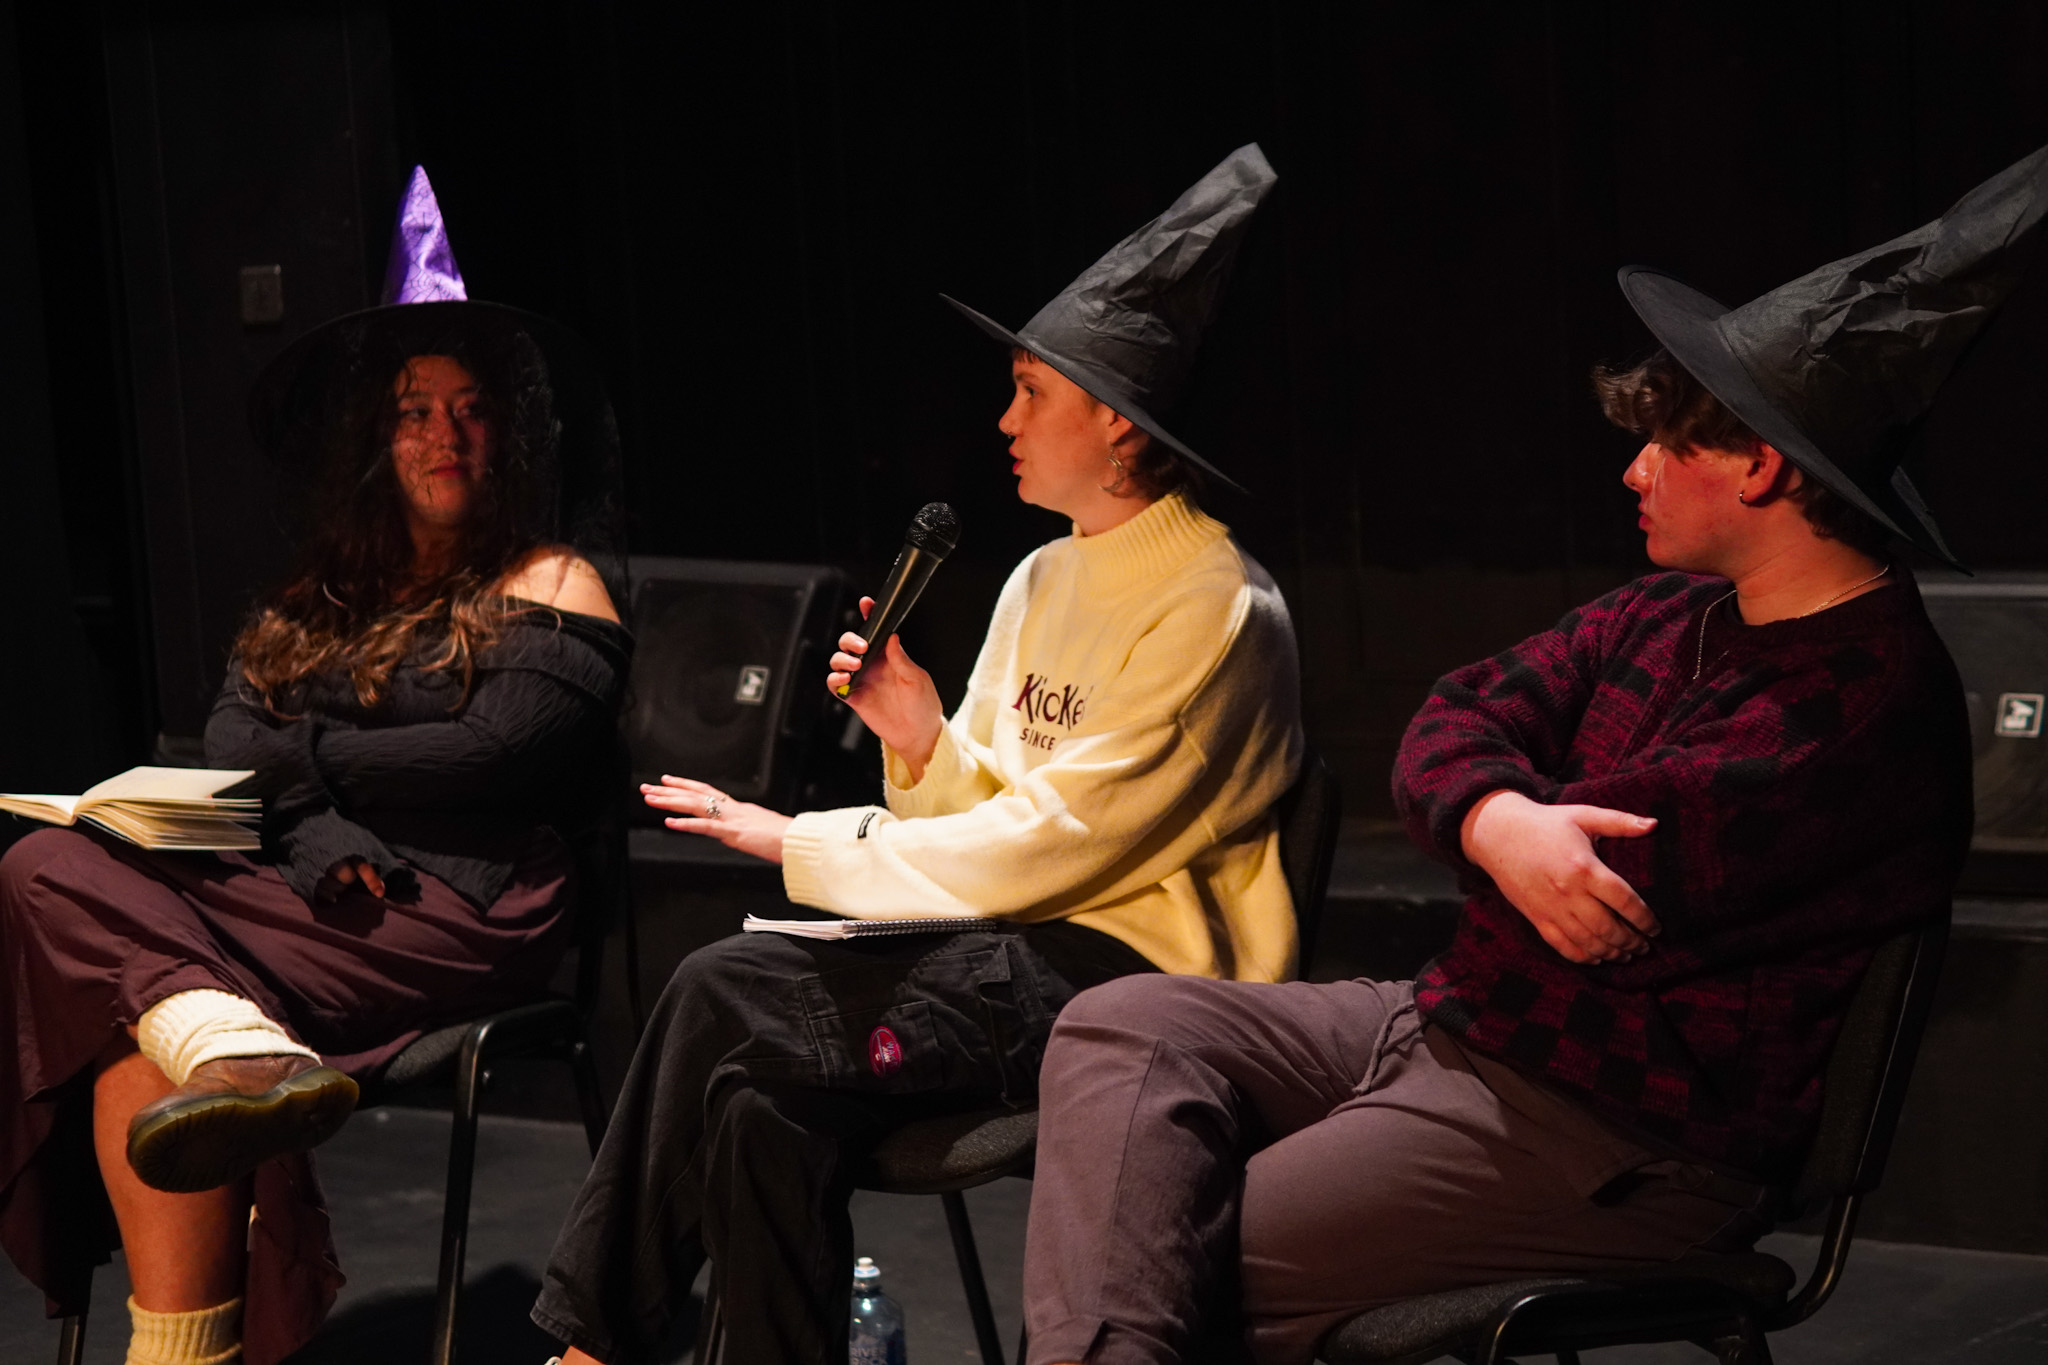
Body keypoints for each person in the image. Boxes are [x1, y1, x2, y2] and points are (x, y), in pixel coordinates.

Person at [1016, 145, 2048, 1365]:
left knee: (1162, 1254)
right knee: (1124, 1023)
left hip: (1617, 1134)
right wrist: (1498, 821)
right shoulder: (1666, 610)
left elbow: (1594, 883)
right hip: (1452, 1028)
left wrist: (1495, 813)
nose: (1631, 469)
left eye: (1663, 444)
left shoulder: (1862, 703)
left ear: (1758, 467)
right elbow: (1453, 713)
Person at [532, 144, 1301, 1365]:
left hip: (1126, 983)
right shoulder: (1042, 576)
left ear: (1112, 417)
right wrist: (923, 741)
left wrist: (804, 840)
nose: (1004, 422)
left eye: (1029, 394)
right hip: (1001, 944)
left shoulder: (1217, 607)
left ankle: (585, 1351)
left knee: (721, 988)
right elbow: (989, 817)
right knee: (757, 1108)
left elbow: (1054, 843)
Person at [0, 167, 630, 1365]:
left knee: (110, 977)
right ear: (377, 440)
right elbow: (231, 737)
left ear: (506, 431)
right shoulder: (327, 593)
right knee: (43, 869)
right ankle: (233, 1060)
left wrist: (307, 767)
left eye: (468, 409)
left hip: (461, 903)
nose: (443, 434)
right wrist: (314, 824)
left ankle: (230, 1049)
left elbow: (487, 756)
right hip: (317, 886)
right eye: (414, 411)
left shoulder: (553, 580)